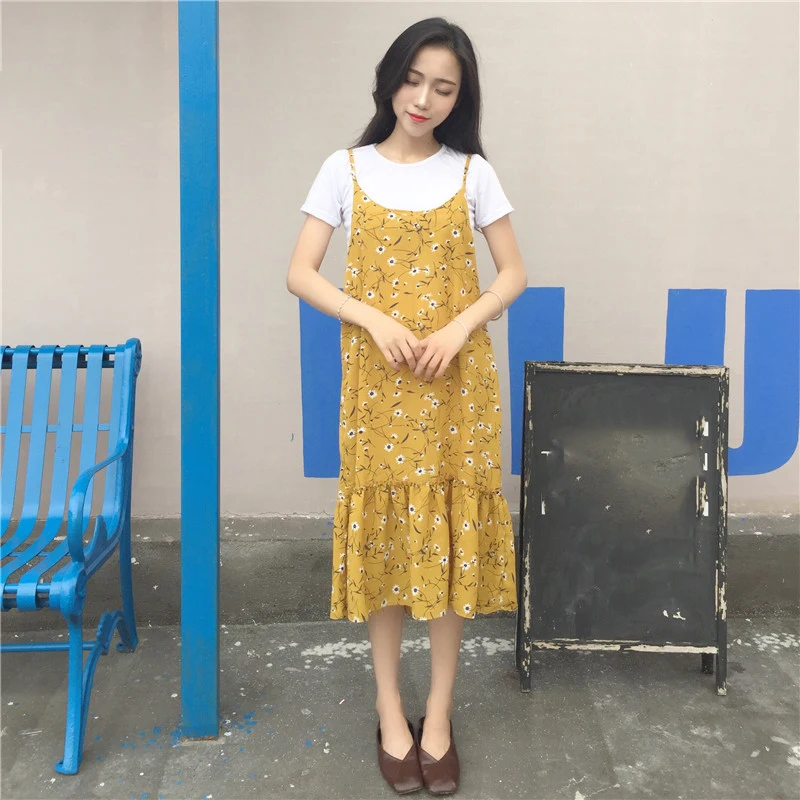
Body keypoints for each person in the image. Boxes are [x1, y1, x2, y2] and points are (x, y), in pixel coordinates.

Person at [287, 16, 527, 796]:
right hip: (380, 386)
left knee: (450, 548)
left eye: (443, 88)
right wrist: (372, 318)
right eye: (413, 79)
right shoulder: (345, 168)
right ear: (390, 80)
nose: (424, 98)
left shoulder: (472, 174)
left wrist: (458, 328)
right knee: (387, 543)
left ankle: (440, 715)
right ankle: (391, 710)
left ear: (461, 99)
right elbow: (301, 271)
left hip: (456, 387)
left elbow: (513, 273)